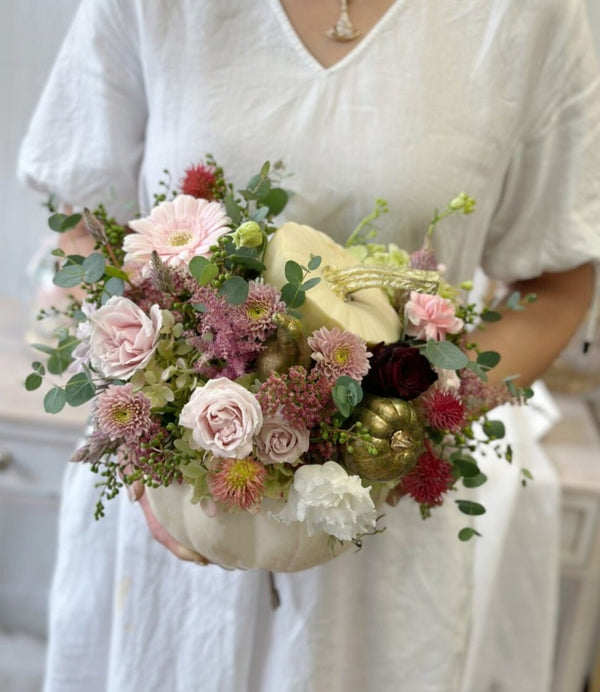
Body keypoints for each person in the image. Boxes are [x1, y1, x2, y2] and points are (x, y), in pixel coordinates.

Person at [17, 1, 600, 690]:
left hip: (380, 523)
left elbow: (557, 280)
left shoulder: (527, 17)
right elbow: (84, 225)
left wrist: (408, 420)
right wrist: (153, 425)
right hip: (172, 503)